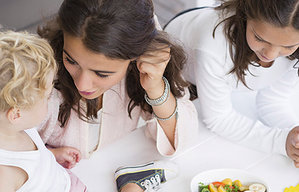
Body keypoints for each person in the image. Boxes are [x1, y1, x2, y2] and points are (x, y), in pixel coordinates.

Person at [0, 31, 177, 192]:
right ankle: (132, 184)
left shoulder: (12, 127)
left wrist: (52, 154)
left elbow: (28, 156)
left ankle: (132, 186)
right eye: (45, 98)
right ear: (16, 113)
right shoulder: (3, 173)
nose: (49, 100)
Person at [36, 0, 198, 166]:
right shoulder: (38, 75)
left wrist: (155, 87)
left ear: (135, 58)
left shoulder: (140, 67)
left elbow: (181, 138)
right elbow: (9, 146)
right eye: (71, 60)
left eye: (101, 73)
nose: (82, 85)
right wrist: (47, 155)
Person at [165, 1, 299, 167]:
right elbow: (218, 119)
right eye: (260, 38)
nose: (271, 54)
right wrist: (280, 141)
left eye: (288, 46)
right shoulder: (212, 45)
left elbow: (273, 101)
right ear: (246, 16)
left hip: (218, 63)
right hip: (177, 72)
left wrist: (294, 139)